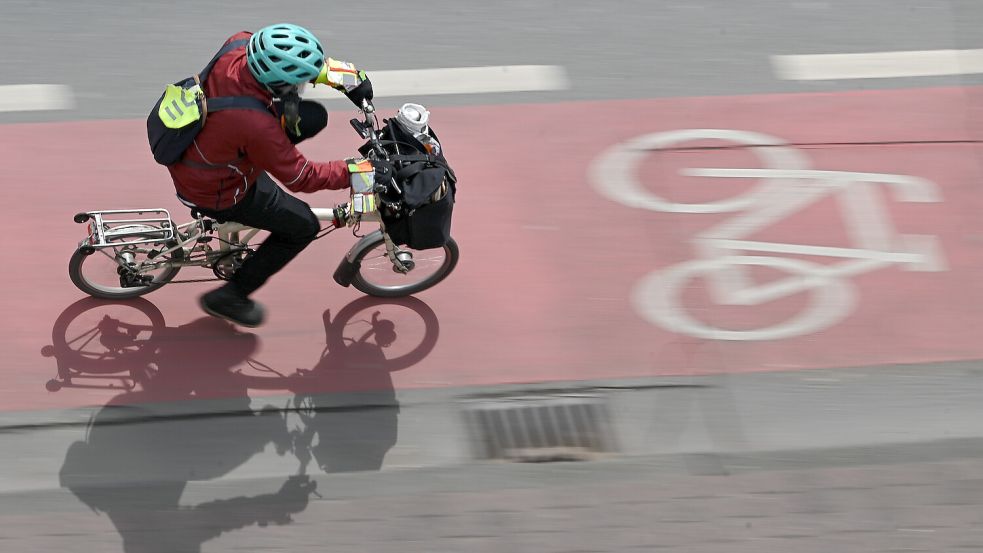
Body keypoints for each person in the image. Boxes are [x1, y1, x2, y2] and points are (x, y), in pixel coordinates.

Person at [165, 23, 389, 327]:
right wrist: (356, 171)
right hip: (217, 189)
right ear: (278, 84)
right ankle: (231, 296)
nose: (303, 87)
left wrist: (346, 79)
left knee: (312, 116)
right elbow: (303, 178)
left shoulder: (239, 44)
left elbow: (287, 59)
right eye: (297, 83)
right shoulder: (255, 125)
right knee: (302, 226)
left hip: (204, 146)